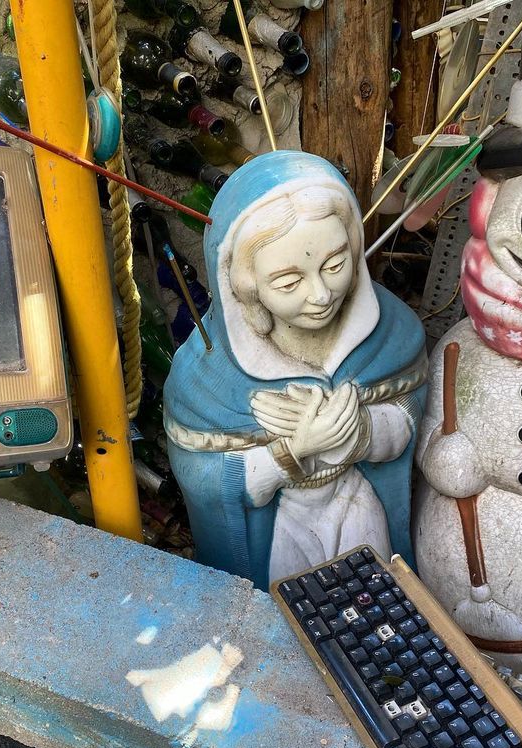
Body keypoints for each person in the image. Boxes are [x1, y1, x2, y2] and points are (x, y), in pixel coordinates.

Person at [164, 151, 427, 589]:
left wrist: (362, 429)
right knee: (292, 621)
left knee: (377, 603)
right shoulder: (206, 377)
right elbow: (200, 475)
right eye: (288, 283)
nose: (322, 295)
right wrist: (291, 451)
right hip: (284, 528)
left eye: (336, 265)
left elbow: (413, 410)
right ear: (244, 287)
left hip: (359, 505)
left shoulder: (393, 332)